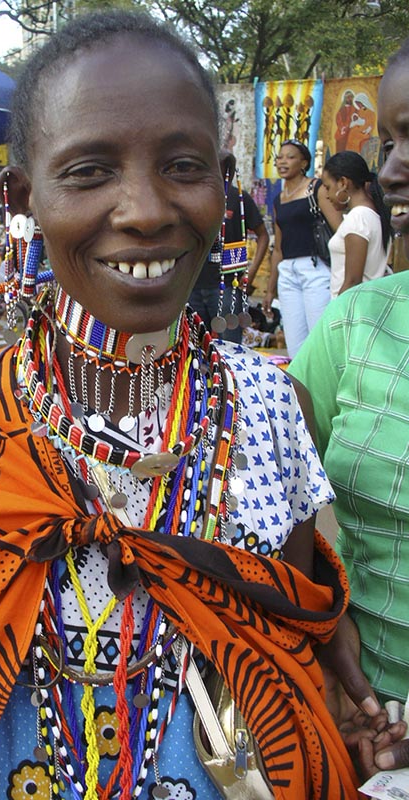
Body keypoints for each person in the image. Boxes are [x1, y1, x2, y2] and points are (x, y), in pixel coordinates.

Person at [0, 12, 386, 799]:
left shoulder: (273, 406)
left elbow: (285, 657)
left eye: (182, 165)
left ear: (222, 181)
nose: (143, 209)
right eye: (89, 171)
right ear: (22, 194)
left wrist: (350, 716)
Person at [289, 37, 409, 777]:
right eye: (394, 139)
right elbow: (268, 480)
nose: (394, 167)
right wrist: (320, 641)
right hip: (376, 732)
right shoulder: (357, 324)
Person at [263, 139, 342, 358]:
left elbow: (340, 230)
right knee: (295, 340)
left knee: (319, 336)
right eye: (279, 157)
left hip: (315, 268)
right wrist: (270, 290)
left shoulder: (315, 188)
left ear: (304, 163)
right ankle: (302, 389)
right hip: (288, 272)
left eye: (290, 157)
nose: (282, 162)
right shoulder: (279, 199)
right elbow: (278, 248)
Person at [188, 150, 269, 344]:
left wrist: (251, 273)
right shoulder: (191, 197)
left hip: (228, 286)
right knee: (194, 348)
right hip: (192, 285)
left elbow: (263, 235)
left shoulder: (238, 197)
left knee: (230, 347)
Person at [321, 151, 391, 297]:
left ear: (343, 183)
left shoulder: (358, 218)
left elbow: (352, 281)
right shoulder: (372, 214)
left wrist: (336, 315)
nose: (327, 195)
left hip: (352, 309)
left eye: (328, 187)